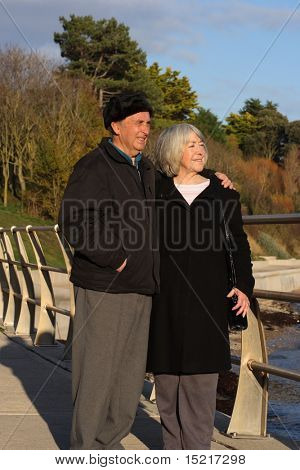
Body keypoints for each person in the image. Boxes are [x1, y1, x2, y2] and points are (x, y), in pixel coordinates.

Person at [58, 93, 233, 450]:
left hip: (144, 289)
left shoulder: (148, 170)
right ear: (116, 126)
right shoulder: (93, 166)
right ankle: (86, 448)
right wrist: (115, 257)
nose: (145, 130)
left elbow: (182, 176)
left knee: (127, 380)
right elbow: (72, 221)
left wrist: (215, 176)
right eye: (138, 123)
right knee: (97, 374)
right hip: (105, 286)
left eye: (148, 123)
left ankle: (109, 441)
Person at [147, 123, 255, 450]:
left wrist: (243, 287)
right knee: (167, 390)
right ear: (172, 152)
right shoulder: (154, 192)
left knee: (199, 390)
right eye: (190, 145)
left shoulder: (224, 195)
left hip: (208, 303)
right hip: (163, 305)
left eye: (201, 144)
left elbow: (238, 245)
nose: (199, 149)